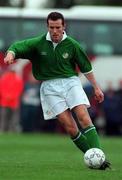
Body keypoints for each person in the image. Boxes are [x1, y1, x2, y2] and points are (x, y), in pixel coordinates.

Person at [4, 12, 110, 169]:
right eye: (51, 27)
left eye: (58, 27)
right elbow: (18, 47)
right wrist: (10, 54)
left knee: (83, 118)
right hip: (49, 88)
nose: (55, 31)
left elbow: (86, 68)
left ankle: (99, 159)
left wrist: (96, 88)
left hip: (71, 82)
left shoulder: (72, 45)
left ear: (63, 26)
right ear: (47, 27)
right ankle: (93, 158)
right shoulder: (38, 43)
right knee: (70, 128)